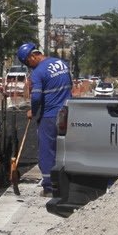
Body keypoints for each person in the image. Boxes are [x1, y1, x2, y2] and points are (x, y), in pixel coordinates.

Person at [17, 42, 72, 196]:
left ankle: (50, 187)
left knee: (47, 150)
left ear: (32, 56)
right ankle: (65, 183)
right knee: (64, 149)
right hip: (67, 112)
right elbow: (70, 86)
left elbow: (36, 97)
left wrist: (33, 112)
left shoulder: (38, 72)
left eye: (28, 63)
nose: (30, 67)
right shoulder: (61, 63)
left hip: (49, 116)